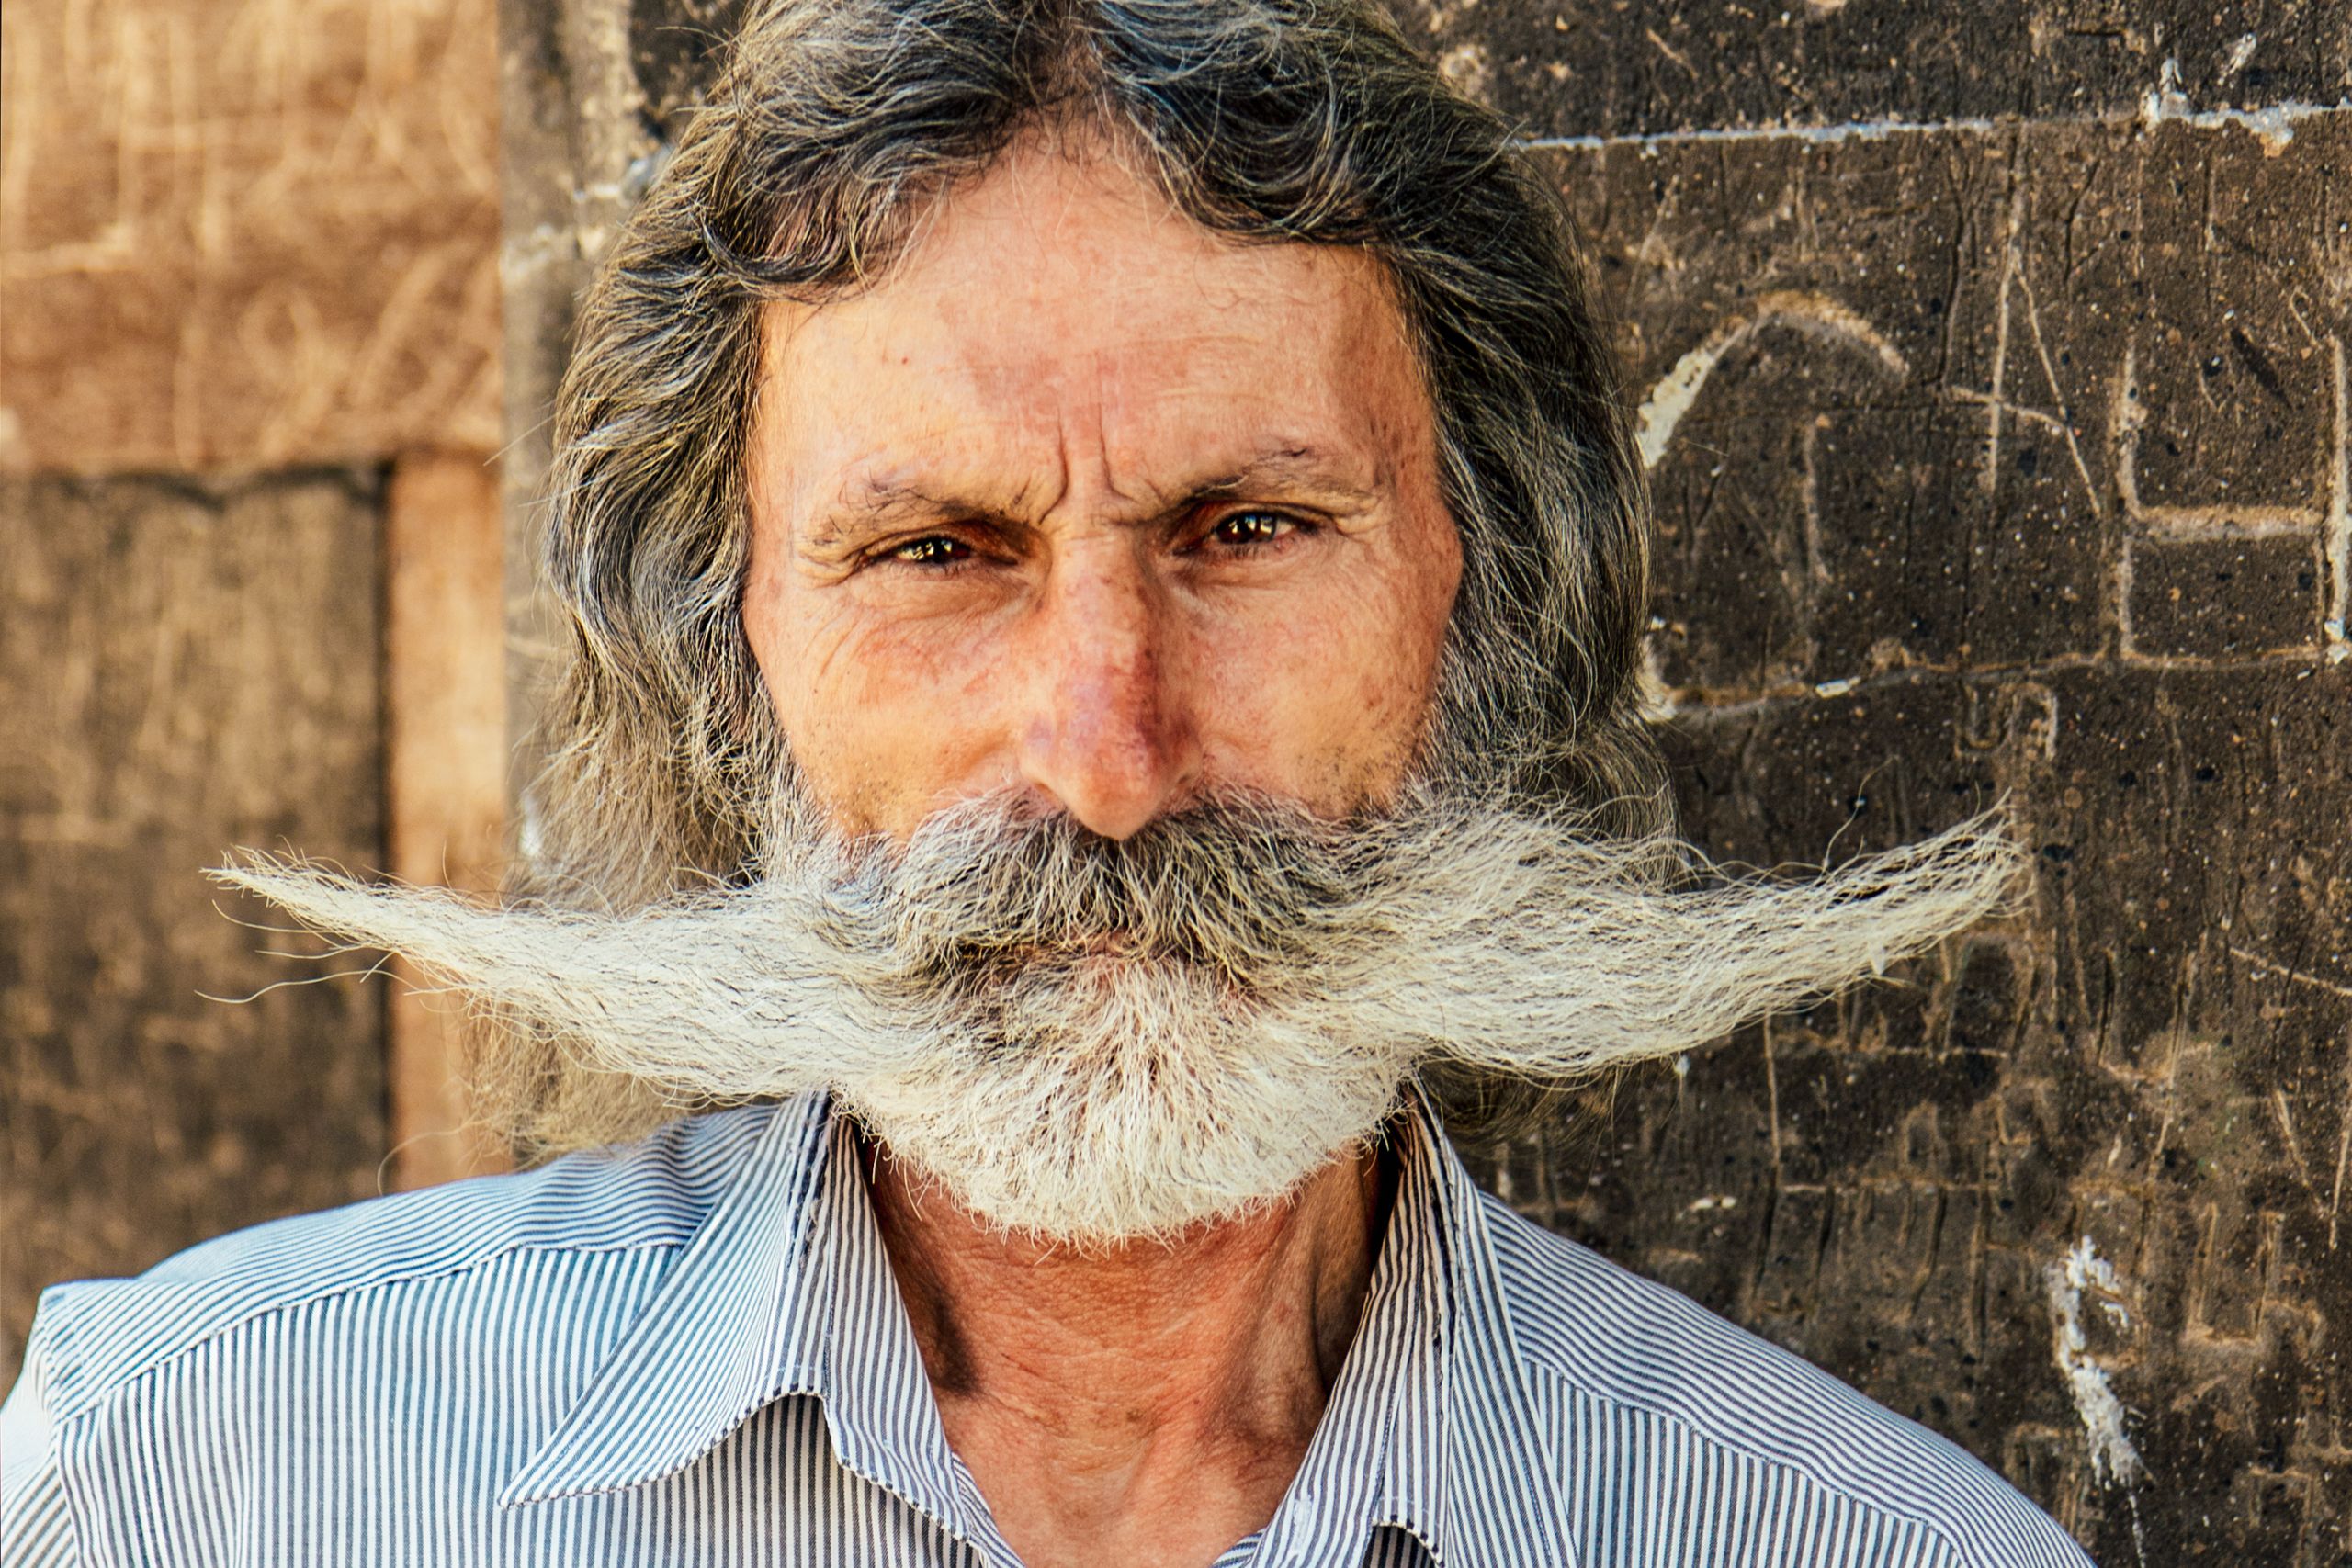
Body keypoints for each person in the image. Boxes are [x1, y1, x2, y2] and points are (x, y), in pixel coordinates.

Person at [1, 2, 2091, 1563]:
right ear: (732, 664)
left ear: (1484, 608)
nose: (1106, 765)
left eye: (1247, 527)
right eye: (937, 554)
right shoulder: (209, 1470)